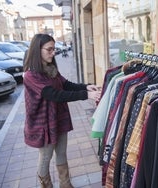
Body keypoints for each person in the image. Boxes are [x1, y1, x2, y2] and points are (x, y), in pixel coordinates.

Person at [23, 33, 101, 188]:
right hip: (43, 124)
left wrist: (86, 86)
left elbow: (66, 85)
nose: (53, 53)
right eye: (49, 49)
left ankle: (65, 184)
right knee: (46, 157)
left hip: (58, 118)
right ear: (37, 50)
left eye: (54, 49)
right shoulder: (30, 75)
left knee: (61, 152)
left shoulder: (51, 69)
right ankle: (47, 186)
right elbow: (54, 95)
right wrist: (86, 95)